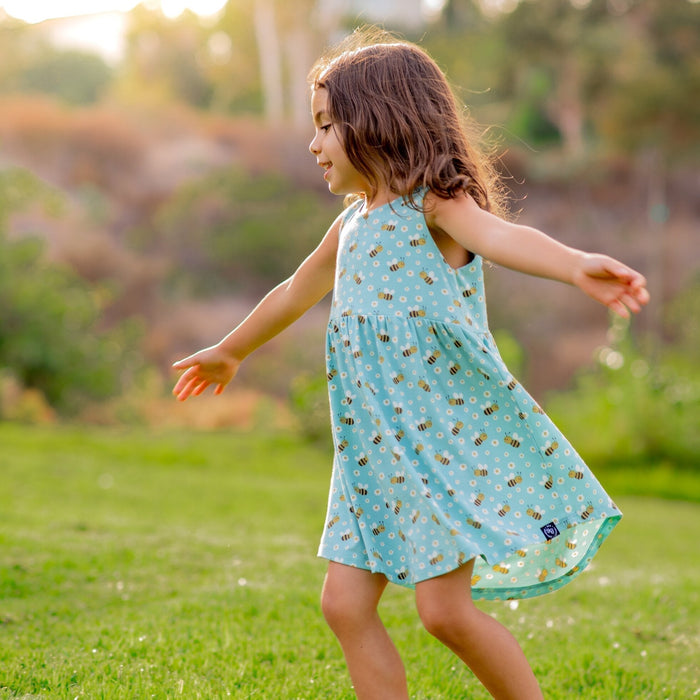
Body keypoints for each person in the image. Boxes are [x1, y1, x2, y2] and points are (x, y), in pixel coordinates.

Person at [172, 31, 649, 700]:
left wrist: (575, 266)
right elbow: (292, 291)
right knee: (343, 605)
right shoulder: (349, 225)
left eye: (326, 125)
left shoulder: (435, 205)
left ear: (377, 121)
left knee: (444, 612)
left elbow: (503, 236)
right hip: (369, 451)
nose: (315, 144)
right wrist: (232, 349)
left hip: (439, 446)